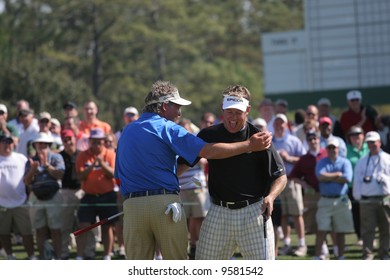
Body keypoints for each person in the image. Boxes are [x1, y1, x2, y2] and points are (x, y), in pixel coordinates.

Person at [115, 80, 273, 260]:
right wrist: (248, 145)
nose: (180, 113)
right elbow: (209, 151)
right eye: (177, 107)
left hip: (131, 206)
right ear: (165, 106)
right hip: (164, 205)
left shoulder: (126, 132)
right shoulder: (168, 128)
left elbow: (119, 175)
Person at [192, 85, 286, 260]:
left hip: (254, 212)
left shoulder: (260, 137)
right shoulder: (208, 134)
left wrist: (271, 196)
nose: (233, 117)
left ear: (248, 110)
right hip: (218, 211)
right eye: (229, 112)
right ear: (222, 109)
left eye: (238, 112)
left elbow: (280, 175)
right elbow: (184, 162)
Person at [75, 128, 117, 260]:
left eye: (99, 141)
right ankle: (80, 255)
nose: (97, 144)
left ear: (103, 141)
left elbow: (113, 174)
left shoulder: (110, 154)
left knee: (107, 226)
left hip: (107, 195)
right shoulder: (83, 155)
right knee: (83, 225)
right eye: (94, 141)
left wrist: (102, 164)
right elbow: (80, 176)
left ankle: (107, 255)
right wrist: (92, 166)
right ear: (90, 141)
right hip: (89, 196)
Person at [23, 132, 65, 259]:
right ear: (35, 145)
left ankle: (58, 258)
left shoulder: (57, 158)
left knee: (56, 230)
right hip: (36, 197)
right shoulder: (30, 161)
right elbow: (27, 182)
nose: (41, 146)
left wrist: (47, 166)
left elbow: (60, 175)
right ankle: (42, 258)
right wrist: (32, 171)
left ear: (49, 145)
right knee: (39, 231)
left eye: (44, 144)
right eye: (39, 144)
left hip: (54, 196)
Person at [289, 131, 329, 257]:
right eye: (310, 139)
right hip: (313, 194)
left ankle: (334, 248)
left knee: (329, 221)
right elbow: (293, 176)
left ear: (319, 139)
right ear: (307, 142)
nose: (313, 141)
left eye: (315, 138)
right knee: (315, 222)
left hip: (328, 193)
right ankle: (323, 247)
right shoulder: (304, 159)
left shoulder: (326, 153)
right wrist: (304, 184)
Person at [272, 113, 307, 257]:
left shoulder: (294, 140)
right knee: (283, 215)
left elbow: (304, 160)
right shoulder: (271, 141)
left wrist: (288, 158)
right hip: (276, 182)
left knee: (297, 213)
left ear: (286, 125)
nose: (280, 125)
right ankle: (286, 243)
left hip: (292, 181)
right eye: (277, 123)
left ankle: (301, 244)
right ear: (274, 125)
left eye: (282, 123)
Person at [314, 138, 354, 260]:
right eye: (329, 148)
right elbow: (320, 176)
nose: (332, 150)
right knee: (322, 230)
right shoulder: (322, 162)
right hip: (325, 200)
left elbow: (347, 178)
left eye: (334, 148)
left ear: (338, 149)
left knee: (340, 231)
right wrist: (337, 175)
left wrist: (328, 177)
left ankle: (340, 256)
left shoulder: (345, 162)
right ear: (327, 149)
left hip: (341, 200)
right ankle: (317, 256)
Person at [352, 131, 390, 260]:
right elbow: (356, 181)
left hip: (384, 199)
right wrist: (358, 197)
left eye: (374, 142)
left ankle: (384, 253)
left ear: (379, 142)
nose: (372, 144)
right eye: (369, 142)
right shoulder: (362, 162)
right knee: (368, 230)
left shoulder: (387, 159)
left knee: (386, 229)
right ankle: (367, 254)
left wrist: (385, 179)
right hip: (367, 201)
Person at [0, 134, 37, 260]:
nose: (7, 145)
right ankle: (10, 255)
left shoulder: (21, 158)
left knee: (26, 232)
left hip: (21, 201)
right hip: (2, 203)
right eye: (4, 142)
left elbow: (28, 178)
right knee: (4, 233)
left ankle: (31, 256)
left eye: (9, 142)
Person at [177, 118, 209, 260]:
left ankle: (198, 245)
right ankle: (190, 245)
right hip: (182, 187)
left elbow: (203, 162)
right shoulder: (176, 144)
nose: (185, 131)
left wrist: (191, 157)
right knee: (185, 219)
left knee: (199, 216)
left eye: (187, 129)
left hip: (197, 186)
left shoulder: (195, 143)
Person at [346, 126, 369, 246]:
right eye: (353, 135)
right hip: (352, 187)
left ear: (363, 136)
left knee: (369, 213)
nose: (356, 137)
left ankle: (369, 237)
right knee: (356, 213)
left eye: (358, 134)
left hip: (369, 187)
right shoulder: (346, 150)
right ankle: (360, 236)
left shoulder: (368, 148)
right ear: (349, 138)